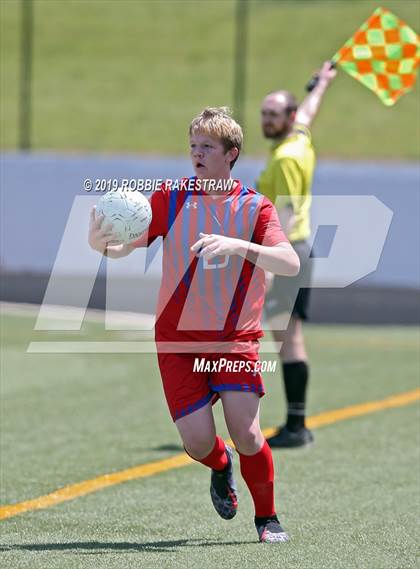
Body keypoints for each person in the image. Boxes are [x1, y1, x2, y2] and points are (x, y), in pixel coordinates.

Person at [88, 107, 300, 543]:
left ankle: (267, 518)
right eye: (193, 146)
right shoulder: (170, 197)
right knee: (200, 443)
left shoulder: (255, 208)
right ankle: (220, 467)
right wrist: (101, 245)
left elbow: (290, 262)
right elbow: (126, 246)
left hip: (234, 339)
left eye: (207, 147)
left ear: (231, 154)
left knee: (246, 430)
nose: (196, 154)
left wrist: (238, 245)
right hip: (177, 340)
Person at [257, 62, 337, 448]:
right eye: (264, 114)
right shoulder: (300, 138)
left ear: (287, 117)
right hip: (301, 250)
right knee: (291, 337)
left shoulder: (287, 157)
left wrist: (272, 266)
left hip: (290, 248)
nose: (266, 120)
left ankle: (295, 426)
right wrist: (322, 83)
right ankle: (296, 424)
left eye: (273, 115)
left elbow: (284, 215)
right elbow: (309, 111)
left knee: (287, 340)